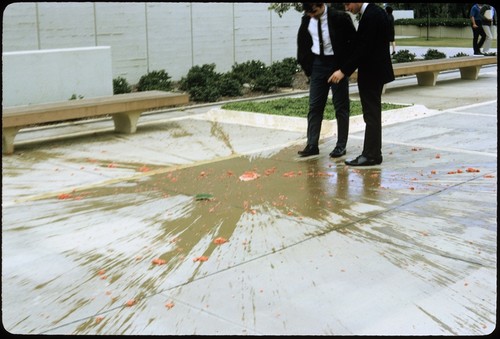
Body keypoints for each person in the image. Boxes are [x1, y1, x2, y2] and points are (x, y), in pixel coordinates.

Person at [329, 3, 395, 167]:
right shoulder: (375, 12)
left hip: (372, 73)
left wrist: (343, 71)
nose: (346, 8)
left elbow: (363, 48)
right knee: (372, 114)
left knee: (371, 114)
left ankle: (370, 155)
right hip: (374, 71)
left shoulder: (372, 15)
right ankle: (374, 153)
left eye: (348, 4)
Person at [296, 3, 357, 158]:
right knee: (314, 106)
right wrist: (308, 68)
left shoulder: (340, 17)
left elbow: (353, 45)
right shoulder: (307, 19)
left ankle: (341, 146)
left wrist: (344, 70)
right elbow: (302, 44)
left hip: (337, 65)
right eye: (308, 13)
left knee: (341, 107)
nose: (311, 15)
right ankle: (312, 145)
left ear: (321, 5)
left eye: (314, 11)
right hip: (317, 65)